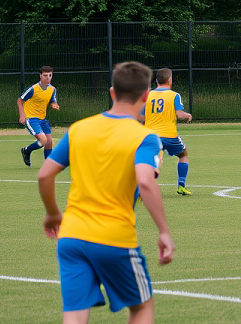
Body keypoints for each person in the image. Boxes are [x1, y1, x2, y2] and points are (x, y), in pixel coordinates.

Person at [37, 61, 175, 324]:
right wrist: (164, 232)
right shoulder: (145, 138)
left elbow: (44, 174)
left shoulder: (78, 129)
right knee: (141, 307)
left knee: (75, 314)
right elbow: (145, 182)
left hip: (71, 238)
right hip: (114, 238)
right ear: (146, 96)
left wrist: (53, 214)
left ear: (112, 92)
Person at [140, 68, 193, 196]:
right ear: (169, 80)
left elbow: (140, 116)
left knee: (154, 159)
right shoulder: (174, 95)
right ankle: (181, 186)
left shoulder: (147, 95)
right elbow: (179, 114)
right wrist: (187, 115)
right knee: (183, 155)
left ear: (157, 80)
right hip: (169, 136)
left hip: (150, 136)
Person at [18, 65, 60, 166]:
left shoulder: (52, 89)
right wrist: (22, 115)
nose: (48, 78)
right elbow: (20, 100)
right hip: (31, 118)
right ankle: (27, 150)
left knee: (49, 141)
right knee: (43, 140)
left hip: (42, 119)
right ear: (40, 76)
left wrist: (54, 105)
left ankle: (48, 164)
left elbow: (52, 101)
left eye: (50, 75)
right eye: (45, 75)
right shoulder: (33, 89)